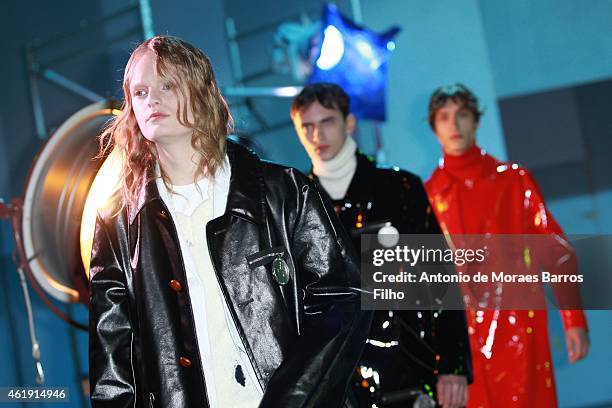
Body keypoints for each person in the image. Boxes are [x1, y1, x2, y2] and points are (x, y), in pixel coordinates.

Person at [88, 36, 371, 408]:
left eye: (168, 85)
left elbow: (342, 302)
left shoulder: (284, 191)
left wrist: (295, 398)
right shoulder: (117, 223)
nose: (152, 99)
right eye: (140, 92)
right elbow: (112, 357)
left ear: (202, 91)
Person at [291, 83, 472, 408]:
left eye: (327, 121)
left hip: (411, 364)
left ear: (349, 123)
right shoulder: (294, 204)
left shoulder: (401, 188)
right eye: (307, 126)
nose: (317, 134)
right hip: (339, 378)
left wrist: (452, 365)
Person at [424, 83, 590, 407]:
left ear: (475, 120)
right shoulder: (426, 197)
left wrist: (574, 320)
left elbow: (557, 253)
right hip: (460, 341)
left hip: (519, 331)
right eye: (444, 117)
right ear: (434, 128)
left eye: (462, 115)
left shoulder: (513, 182)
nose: (454, 125)